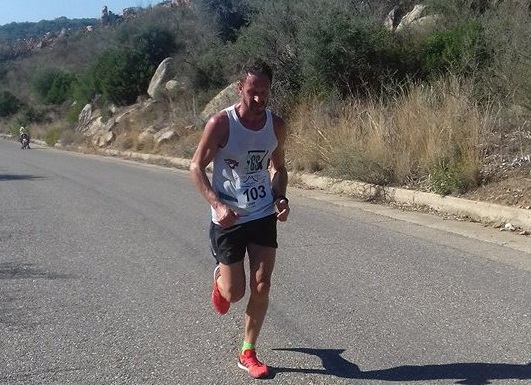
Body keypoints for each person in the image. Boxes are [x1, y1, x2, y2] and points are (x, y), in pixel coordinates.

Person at [190, 59, 290, 379]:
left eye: (264, 92)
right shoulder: (222, 124)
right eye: (252, 91)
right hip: (229, 218)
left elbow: (279, 168)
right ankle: (221, 278)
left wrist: (280, 196)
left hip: (261, 213)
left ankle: (247, 350)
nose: (259, 98)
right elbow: (195, 167)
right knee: (235, 294)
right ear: (240, 89)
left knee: (263, 284)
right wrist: (217, 206)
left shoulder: (276, 125)